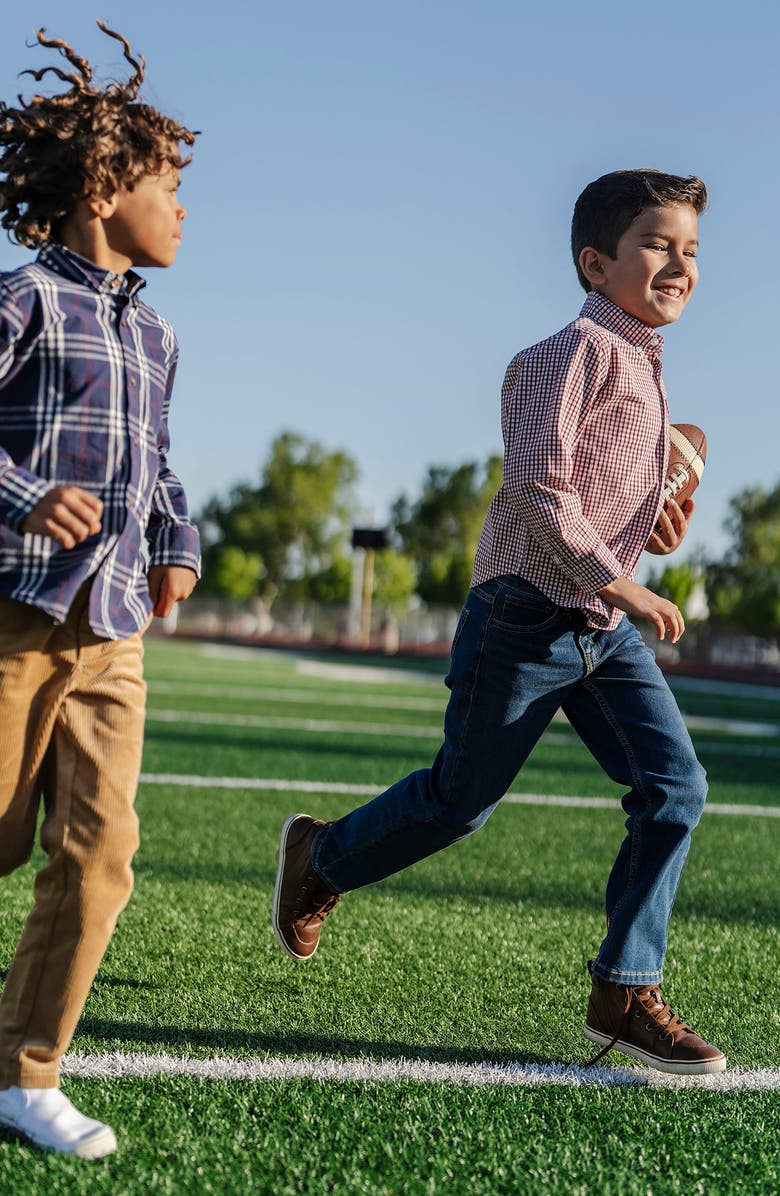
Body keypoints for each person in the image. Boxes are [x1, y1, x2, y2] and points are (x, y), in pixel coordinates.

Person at [273, 169, 726, 1077]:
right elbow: (538, 490)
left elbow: (610, 492)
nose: (679, 263)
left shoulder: (647, 363)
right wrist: (626, 582)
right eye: (656, 244)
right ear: (596, 263)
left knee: (676, 788)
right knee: (459, 804)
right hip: (521, 617)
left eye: (692, 250)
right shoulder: (560, 356)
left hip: (599, 629)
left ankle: (624, 989)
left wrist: (652, 523)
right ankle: (320, 856)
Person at [0, 24, 200, 1157]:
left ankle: (25, 1073)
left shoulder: (159, 331)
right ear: (103, 185)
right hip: (12, 615)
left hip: (113, 625)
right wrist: (22, 493)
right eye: (169, 186)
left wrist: (179, 540)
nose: (183, 209)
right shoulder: (22, 303)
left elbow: (157, 459)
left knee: (101, 843)